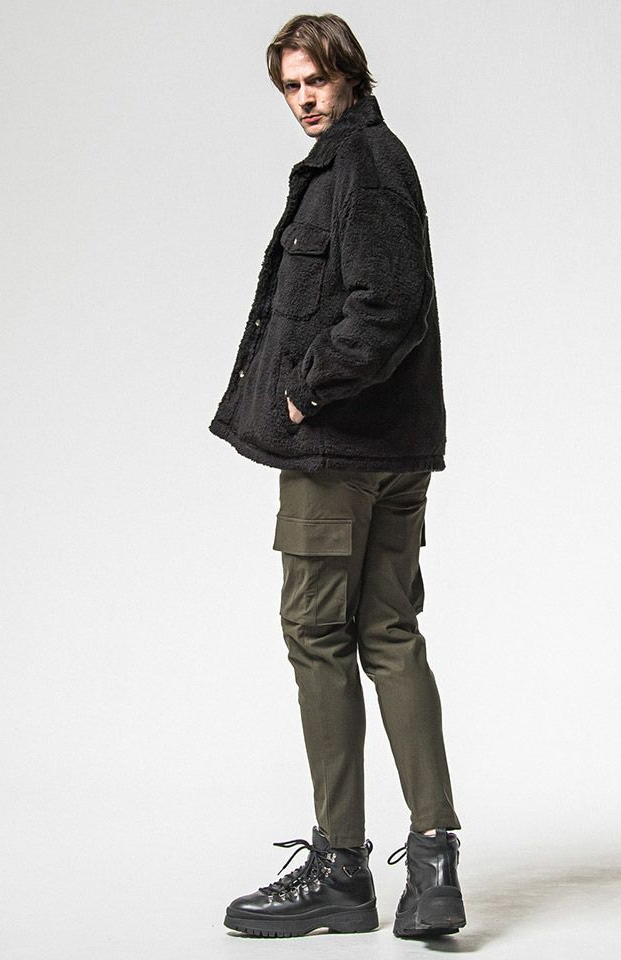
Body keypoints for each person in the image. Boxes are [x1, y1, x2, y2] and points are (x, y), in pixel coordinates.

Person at [209, 13, 465, 939]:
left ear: (349, 74)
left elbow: (388, 305)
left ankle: (342, 870)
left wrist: (302, 391)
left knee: (319, 636)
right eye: (290, 86)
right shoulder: (365, 163)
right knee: (391, 634)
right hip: (390, 453)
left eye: (315, 80)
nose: (304, 99)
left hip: (340, 453)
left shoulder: (361, 165)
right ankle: (432, 868)